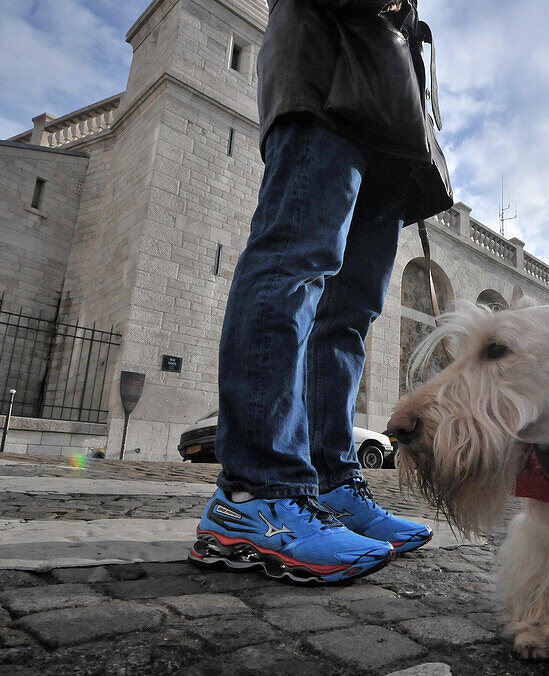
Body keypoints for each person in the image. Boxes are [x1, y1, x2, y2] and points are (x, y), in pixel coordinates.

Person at [190, 0, 447, 584]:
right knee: (292, 269)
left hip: (387, 109)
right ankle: (256, 490)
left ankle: (332, 482)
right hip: (324, 74)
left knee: (350, 313)